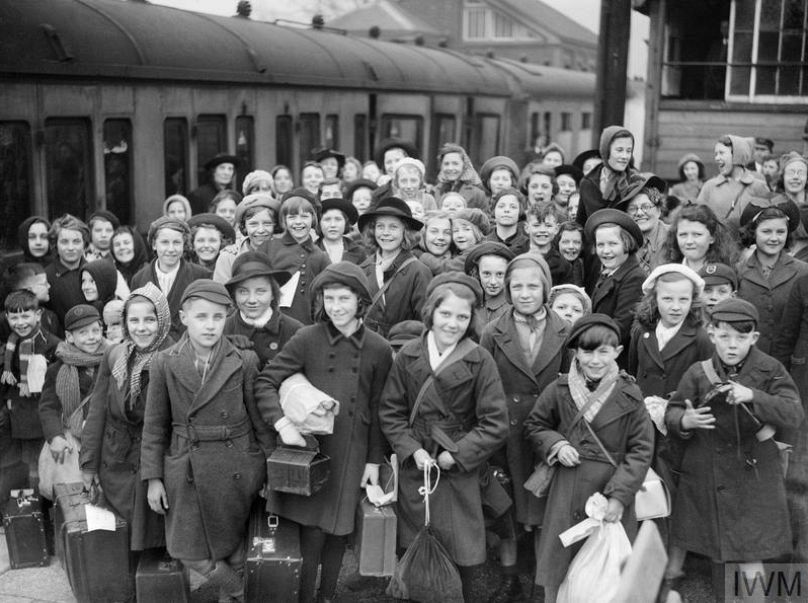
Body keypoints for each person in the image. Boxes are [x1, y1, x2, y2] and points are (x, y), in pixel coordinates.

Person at [255, 262, 393, 603]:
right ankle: (304, 596)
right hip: (313, 449)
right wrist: (283, 424)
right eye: (329, 298)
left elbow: (378, 409)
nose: (335, 307)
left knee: (338, 531)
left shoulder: (378, 348)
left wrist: (373, 461)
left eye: (343, 298)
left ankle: (327, 595)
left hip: (353, 451)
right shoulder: (308, 338)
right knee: (312, 531)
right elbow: (266, 381)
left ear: (361, 301)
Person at [379, 272, 508, 603]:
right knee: (415, 547)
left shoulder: (480, 359)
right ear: (431, 313)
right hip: (417, 466)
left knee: (461, 550)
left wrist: (459, 454)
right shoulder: (409, 354)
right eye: (445, 314)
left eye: (462, 317)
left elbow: (495, 422)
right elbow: (391, 411)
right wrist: (412, 450)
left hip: (457, 468)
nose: (453, 323)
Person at [141, 280, 267, 602]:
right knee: (186, 550)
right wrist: (153, 478)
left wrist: (267, 468)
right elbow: (154, 426)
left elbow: (259, 419)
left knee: (234, 548)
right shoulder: (164, 362)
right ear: (184, 317)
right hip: (185, 463)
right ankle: (242, 592)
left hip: (235, 462)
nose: (210, 325)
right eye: (201, 317)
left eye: (218, 317)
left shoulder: (244, 360)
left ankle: (230, 597)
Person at [665, 299, 802, 584]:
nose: (732, 345)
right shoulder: (698, 372)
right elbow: (673, 410)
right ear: (712, 334)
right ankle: (691, 589)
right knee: (713, 547)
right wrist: (685, 420)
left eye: (741, 338)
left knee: (752, 550)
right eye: (724, 336)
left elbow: (794, 413)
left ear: (754, 337)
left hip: (754, 474)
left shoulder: (770, 369)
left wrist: (754, 396)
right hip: (707, 470)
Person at [524, 314, 653, 601]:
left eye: (603, 352)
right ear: (576, 353)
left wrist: (618, 497)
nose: (595, 360)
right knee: (560, 566)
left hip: (610, 488)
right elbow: (535, 425)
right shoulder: (559, 389)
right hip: (567, 488)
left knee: (608, 573)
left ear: (618, 352)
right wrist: (557, 445)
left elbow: (641, 449)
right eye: (587, 352)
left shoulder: (630, 394)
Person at [480, 254, 570, 600]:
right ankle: (510, 578)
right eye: (516, 286)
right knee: (508, 507)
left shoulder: (564, 329)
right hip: (506, 432)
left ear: (546, 288)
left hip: (549, 432)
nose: (525, 293)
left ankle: (543, 580)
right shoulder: (493, 331)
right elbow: (483, 384)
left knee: (546, 507)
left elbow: (572, 382)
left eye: (533, 286)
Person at [79, 283, 172, 552]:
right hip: (116, 459)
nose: (141, 328)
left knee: (154, 543)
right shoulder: (115, 355)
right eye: (134, 320)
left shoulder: (174, 358)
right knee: (118, 541)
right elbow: (97, 412)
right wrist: (88, 464)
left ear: (163, 320)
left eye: (150, 320)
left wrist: (156, 476)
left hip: (154, 461)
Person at [38, 305, 110, 496]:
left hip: (108, 438)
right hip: (73, 441)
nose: (91, 337)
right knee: (75, 493)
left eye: (95, 330)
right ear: (69, 337)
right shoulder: (58, 369)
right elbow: (48, 407)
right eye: (83, 332)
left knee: (108, 493)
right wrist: (55, 437)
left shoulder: (114, 359)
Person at [1, 290, 60, 491]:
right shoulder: (11, 342)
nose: (20, 323)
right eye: (14, 317)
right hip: (16, 416)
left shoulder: (52, 345)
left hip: (40, 418)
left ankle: (38, 504)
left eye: (25, 316)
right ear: (7, 317)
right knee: (18, 467)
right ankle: (22, 506)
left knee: (39, 467)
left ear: (38, 314)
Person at [736, 201, 807, 355]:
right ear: (753, 232)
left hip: (791, 361)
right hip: (748, 359)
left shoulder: (803, 272)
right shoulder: (738, 272)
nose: (774, 238)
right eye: (766, 231)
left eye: (780, 232)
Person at [359, 197, 431, 338]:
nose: (386, 232)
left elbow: (424, 323)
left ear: (406, 232)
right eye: (380, 226)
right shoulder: (363, 268)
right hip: (366, 346)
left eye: (393, 227)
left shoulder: (419, 271)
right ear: (373, 230)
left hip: (401, 345)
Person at [130, 217, 211, 340]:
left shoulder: (201, 276)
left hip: (188, 345)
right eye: (165, 242)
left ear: (184, 245)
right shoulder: (139, 279)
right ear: (154, 244)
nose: (171, 249)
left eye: (176, 242)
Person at [256, 193, 330, 325]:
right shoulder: (269, 247)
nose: (298, 222)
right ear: (284, 220)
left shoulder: (320, 256)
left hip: (305, 325)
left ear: (313, 219)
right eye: (292, 217)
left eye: (304, 216)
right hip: (271, 322)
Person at [585, 208, 646, 366]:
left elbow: (621, 328)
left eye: (613, 244)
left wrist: (584, 338)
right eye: (600, 245)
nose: (606, 251)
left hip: (616, 362)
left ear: (627, 243)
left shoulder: (635, 278)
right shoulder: (609, 272)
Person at [223, 251, 302, 366]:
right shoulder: (223, 330)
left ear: (273, 293)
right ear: (234, 295)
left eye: (260, 291)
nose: (252, 300)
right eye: (243, 292)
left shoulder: (294, 331)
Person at [696, 135, 771, 231]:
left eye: (721, 153)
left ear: (737, 156)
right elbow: (697, 219)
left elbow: (768, 221)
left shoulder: (758, 186)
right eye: (716, 154)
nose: (717, 158)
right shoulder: (709, 186)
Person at [576, 125, 643, 225]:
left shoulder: (636, 181)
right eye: (619, 150)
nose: (625, 156)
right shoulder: (587, 183)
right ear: (606, 151)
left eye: (628, 151)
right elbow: (581, 221)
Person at [213, 193, 281, 284]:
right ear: (244, 226)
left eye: (267, 223)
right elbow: (221, 290)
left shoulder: (283, 253)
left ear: (275, 225)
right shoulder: (229, 257)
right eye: (253, 224)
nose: (260, 230)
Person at [666, 203, 739, 273]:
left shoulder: (723, 274)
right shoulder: (669, 273)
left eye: (697, 234)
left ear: (712, 237)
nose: (689, 241)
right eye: (683, 235)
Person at [45, 214, 90, 328]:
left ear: (84, 244)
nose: (70, 248)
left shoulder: (94, 271)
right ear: (55, 244)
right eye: (64, 242)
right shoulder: (47, 276)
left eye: (76, 241)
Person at [622, 174, 671, 275]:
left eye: (646, 207)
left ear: (659, 210)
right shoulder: (621, 240)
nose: (639, 213)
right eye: (632, 208)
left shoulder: (674, 236)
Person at [464, 241, 514, 327]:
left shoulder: (513, 308)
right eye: (486, 274)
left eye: (500, 274)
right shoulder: (468, 302)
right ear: (477, 273)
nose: (493, 282)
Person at [524, 203, 573, 285]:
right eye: (536, 225)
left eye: (548, 225)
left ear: (556, 229)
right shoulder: (514, 254)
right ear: (526, 228)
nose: (542, 230)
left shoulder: (564, 266)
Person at [433, 143, 488, 211]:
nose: (450, 168)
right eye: (446, 164)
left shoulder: (478, 194)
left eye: (455, 164)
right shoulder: (434, 191)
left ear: (464, 166)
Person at [316, 198, 366, 265]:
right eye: (327, 219)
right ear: (319, 223)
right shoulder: (310, 251)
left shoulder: (358, 252)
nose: (333, 225)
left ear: (346, 222)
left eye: (338, 219)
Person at [486, 188, 529, 254]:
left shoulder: (528, 246)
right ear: (494, 210)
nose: (507, 210)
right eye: (501, 206)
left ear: (520, 211)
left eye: (513, 207)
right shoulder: (483, 244)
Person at [417, 211, 456, 276]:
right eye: (434, 231)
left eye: (447, 232)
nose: (441, 237)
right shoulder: (409, 261)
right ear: (423, 234)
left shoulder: (461, 261)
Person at [555, 222, 585, 286]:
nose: (571, 246)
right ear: (558, 243)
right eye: (566, 242)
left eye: (576, 242)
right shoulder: (551, 267)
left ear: (582, 245)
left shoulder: (584, 267)